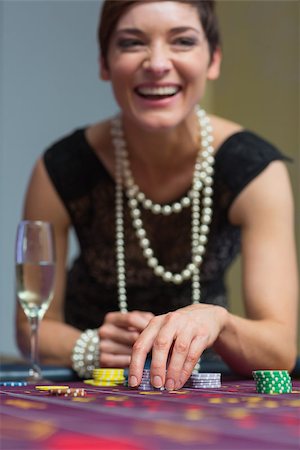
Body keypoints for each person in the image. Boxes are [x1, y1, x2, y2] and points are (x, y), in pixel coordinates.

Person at [16, 0, 298, 389]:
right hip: (92, 389)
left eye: (182, 41)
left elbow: (280, 347)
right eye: (132, 43)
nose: (158, 63)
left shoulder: (256, 170)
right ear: (104, 63)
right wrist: (89, 345)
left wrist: (220, 320)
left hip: (204, 391)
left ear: (213, 59)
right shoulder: (59, 168)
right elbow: (32, 326)